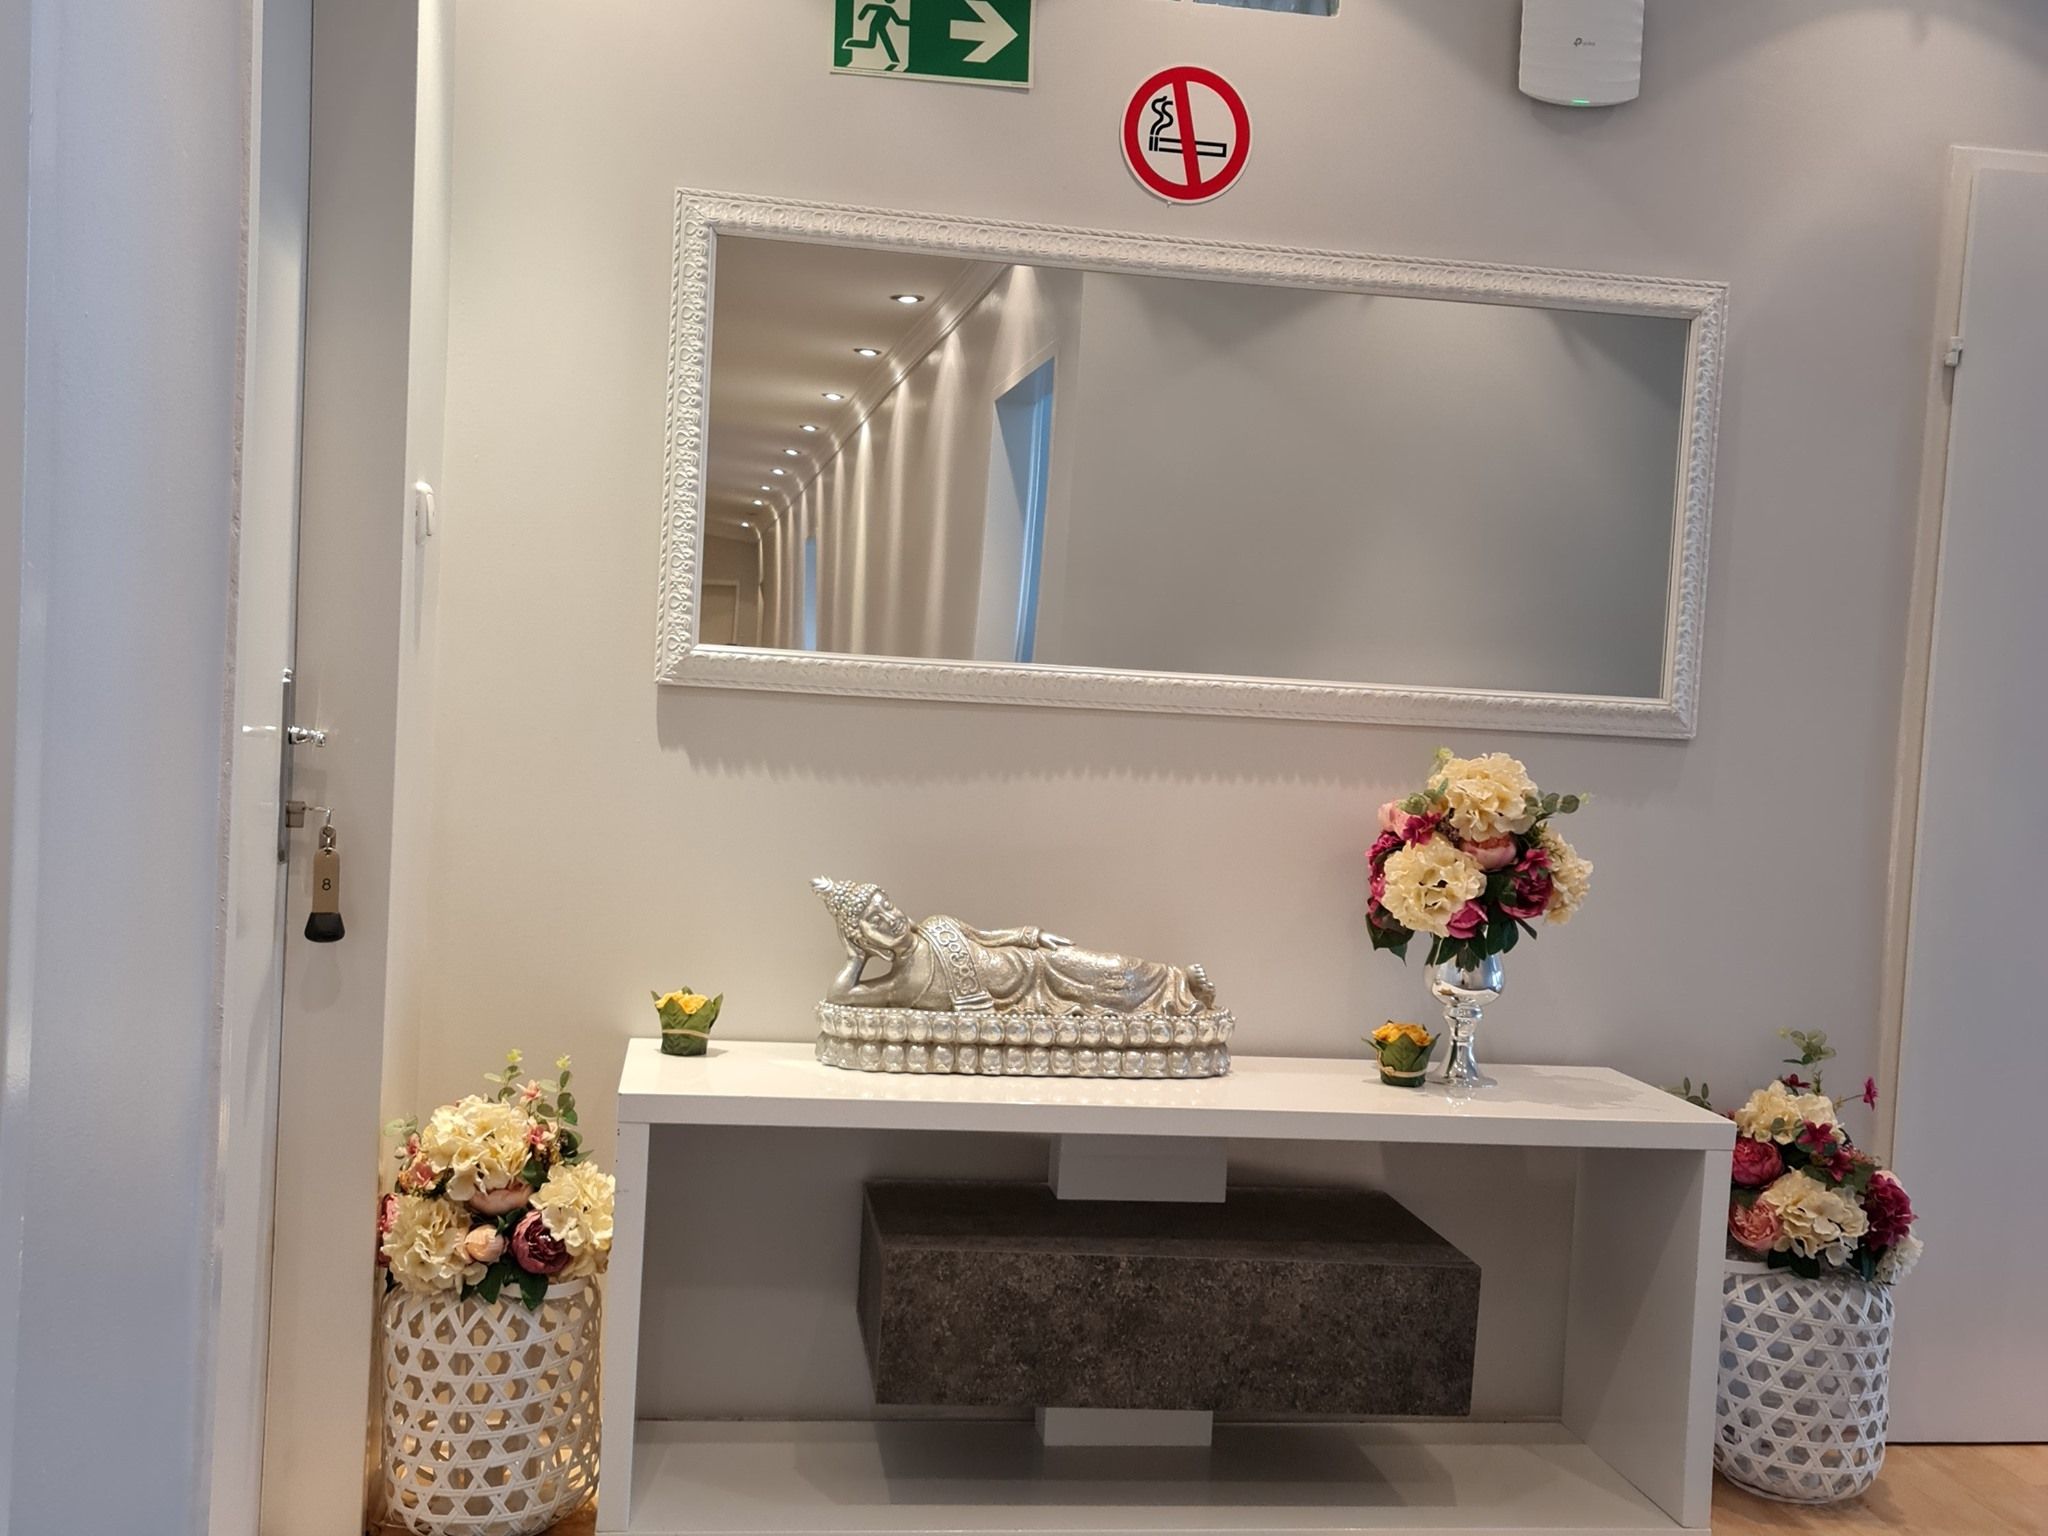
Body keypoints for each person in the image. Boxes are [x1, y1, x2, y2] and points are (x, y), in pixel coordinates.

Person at [811, 878, 1217, 1016]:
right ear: (865, 938)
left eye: (887, 906)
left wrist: (1033, 936)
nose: (890, 919)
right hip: (1024, 1003)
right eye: (875, 922)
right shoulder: (901, 985)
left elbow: (989, 937)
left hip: (1036, 965)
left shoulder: (936, 925)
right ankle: (1174, 998)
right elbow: (840, 996)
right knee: (1105, 999)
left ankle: (1177, 984)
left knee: (1114, 967)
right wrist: (855, 958)